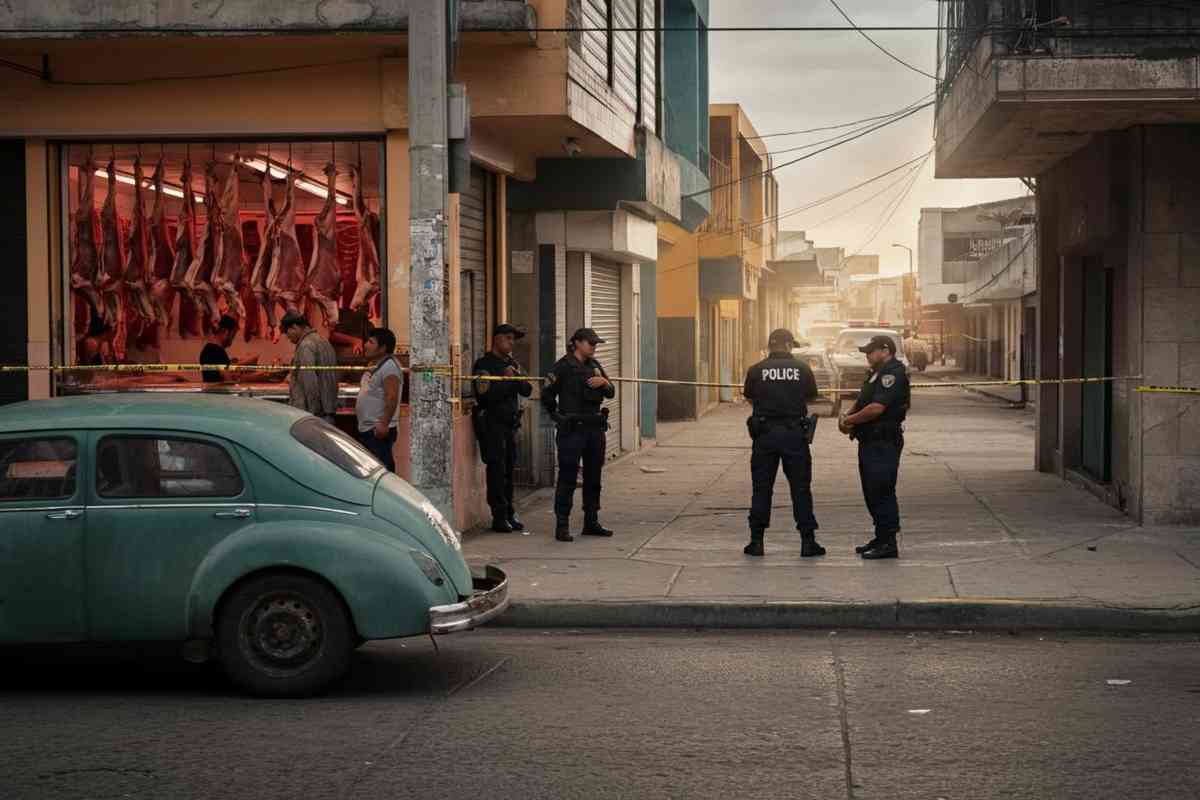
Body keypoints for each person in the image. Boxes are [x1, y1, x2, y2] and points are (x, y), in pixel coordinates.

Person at [741, 328, 823, 558]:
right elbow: (811, 397)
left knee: (761, 488)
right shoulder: (802, 369)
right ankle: (808, 542)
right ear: (788, 345)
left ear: (770, 346)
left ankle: (756, 542)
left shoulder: (756, 370)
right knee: (800, 489)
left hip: (764, 434)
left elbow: (749, 396)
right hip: (794, 434)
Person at [839, 334, 911, 560]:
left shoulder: (892, 373)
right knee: (871, 490)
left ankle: (889, 542)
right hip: (870, 440)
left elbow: (876, 408)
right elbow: (863, 402)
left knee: (881, 489)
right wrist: (847, 417)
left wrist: (850, 421)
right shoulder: (876, 374)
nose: (868, 356)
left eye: (871, 352)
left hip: (884, 441)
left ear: (886, 350)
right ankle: (881, 536)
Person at [541, 328, 616, 542]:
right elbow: (547, 394)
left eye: (595, 343)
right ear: (577, 343)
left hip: (594, 429)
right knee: (568, 477)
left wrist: (605, 383)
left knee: (593, 477)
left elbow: (611, 392)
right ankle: (562, 524)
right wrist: (558, 417)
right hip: (572, 430)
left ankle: (591, 521)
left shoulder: (595, 366)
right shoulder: (563, 367)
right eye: (590, 343)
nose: (594, 347)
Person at [473, 324, 533, 533]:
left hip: (510, 424)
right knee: (497, 470)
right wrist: (508, 380)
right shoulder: (484, 364)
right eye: (507, 338)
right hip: (492, 424)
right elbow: (484, 395)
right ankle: (498, 516)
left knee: (509, 471)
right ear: (497, 339)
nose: (511, 342)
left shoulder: (512, 363)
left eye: (513, 339)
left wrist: (515, 376)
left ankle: (509, 512)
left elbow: (527, 389)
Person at [355, 327, 404, 472]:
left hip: (377, 430)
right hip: (368, 428)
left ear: (382, 348)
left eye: (371, 342)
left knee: (382, 471)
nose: (366, 345)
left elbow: (392, 396)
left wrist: (383, 424)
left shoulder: (389, 367)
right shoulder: (375, 365)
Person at [281, 311, 339, 423]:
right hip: (327, 412)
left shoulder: (305, 346)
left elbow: (310, 382)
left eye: (287, 333)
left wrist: (313, 413)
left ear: (294, 327)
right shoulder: (324, 341)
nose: (288, 337)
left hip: (312, 414)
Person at [199, 315, 260, 383]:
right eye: (233, 335)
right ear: (226, 332)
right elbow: (228, 380)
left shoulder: (208, 349)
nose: (232, 340)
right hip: (219, 392)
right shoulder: (217, 352)